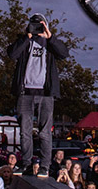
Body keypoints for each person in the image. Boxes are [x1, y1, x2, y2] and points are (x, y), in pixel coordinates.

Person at [8, 14, 68, 178]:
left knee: (44, 132)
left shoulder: (50, 43)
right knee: (25, 132)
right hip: (25, 92)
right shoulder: (24, 41)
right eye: (33, 25)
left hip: (45, 93)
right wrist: (26, 37)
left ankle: (44, 166)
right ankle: (26, 164)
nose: (37, 29)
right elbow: (12, 54)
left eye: (39, 25)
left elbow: (64, 54)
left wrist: (50, 37)